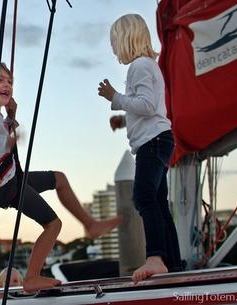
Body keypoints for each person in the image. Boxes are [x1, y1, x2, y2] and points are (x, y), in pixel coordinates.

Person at [0, 63, 122, 293]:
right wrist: (6, 141)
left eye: (9, 81)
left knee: (58, 178)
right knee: (53, 224)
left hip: (11, 176)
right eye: (0, 80)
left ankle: (90, 225)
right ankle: (31, 277)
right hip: (4, 185)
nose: (7, 84)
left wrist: (11, 117)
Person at [97, 14, 182, 284]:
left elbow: (145, 105)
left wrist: (115, 98)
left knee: (144, 197)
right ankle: (171, 260)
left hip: (153, 143)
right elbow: (151, 108)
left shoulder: (140, 66)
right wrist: (123, 119)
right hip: (158, 139)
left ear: (125, 39)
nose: (112, 48)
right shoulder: (148, 66)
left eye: (113, 42)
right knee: (157, 202)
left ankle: (155, 258)